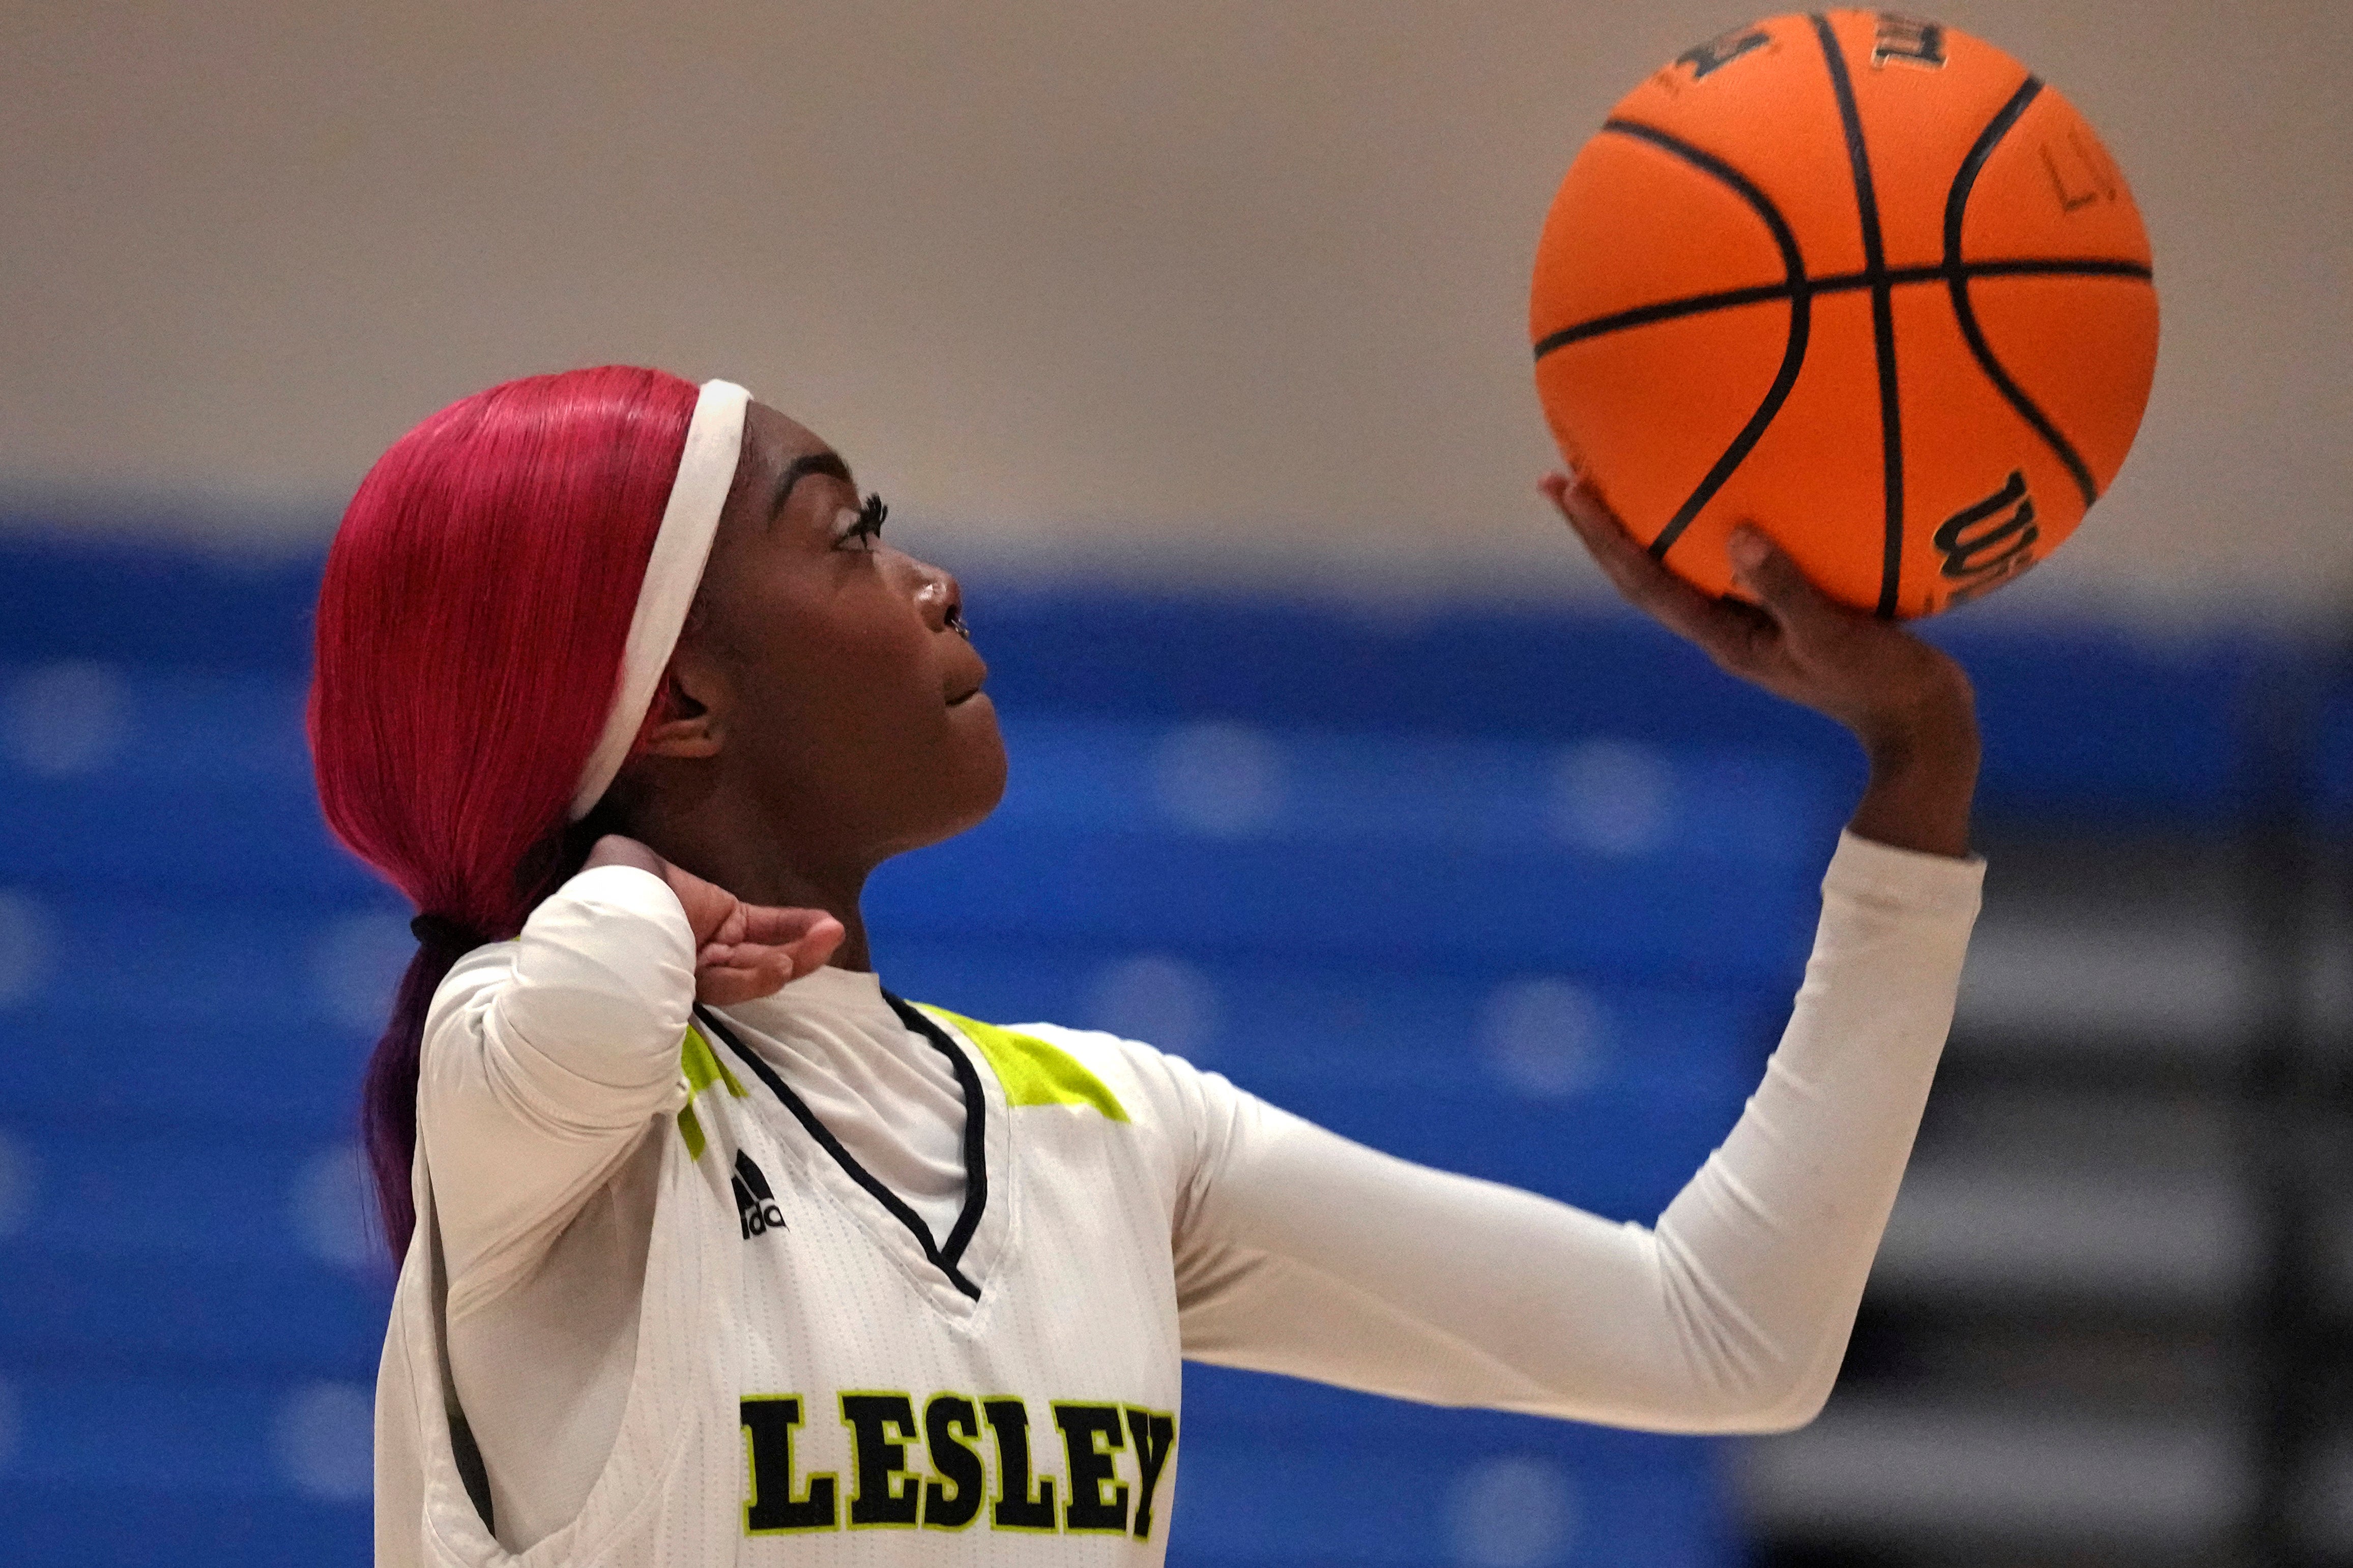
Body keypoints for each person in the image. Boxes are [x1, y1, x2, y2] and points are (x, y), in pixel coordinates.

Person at [308, 366, 1983, 1566]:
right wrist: (617, 882)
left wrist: (1914, 767)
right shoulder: (529, 1098)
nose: (927, 577)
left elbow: (1718, 1333)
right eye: (847, 534)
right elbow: (583, 997)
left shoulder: (1104, 1127)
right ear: (677, 705)